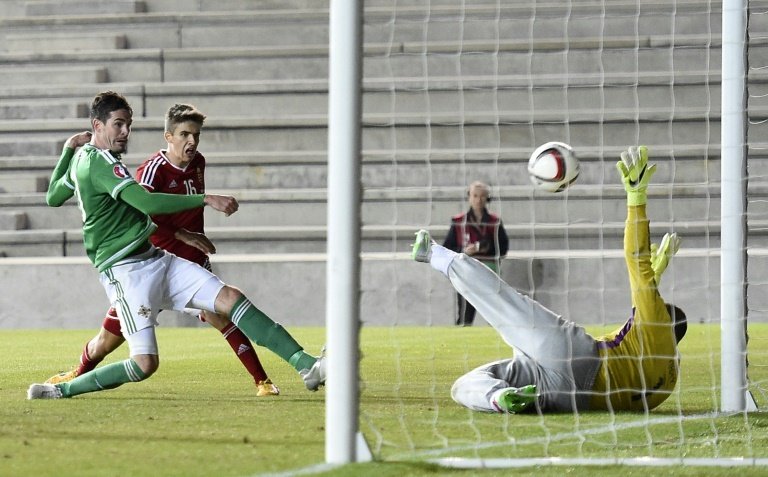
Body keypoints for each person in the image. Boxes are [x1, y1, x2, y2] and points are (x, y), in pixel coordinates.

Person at [27, 91, 325, 400]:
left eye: (128, 124)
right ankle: (61, 390)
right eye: (118, 124)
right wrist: (206, 199)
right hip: (126, 272)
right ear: (97, 125)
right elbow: (145, 200)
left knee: (230, 298)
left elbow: (53, 197)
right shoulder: (101, 163)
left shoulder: (81, 161)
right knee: (143, 363)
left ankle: (307, 365)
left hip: (155, 258)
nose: (125, 132)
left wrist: (67, 150)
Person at [411, 145, 686, 413]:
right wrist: (656, 277)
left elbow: (636, 259)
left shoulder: (654, 324)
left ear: (664, 318)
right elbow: (634, 341)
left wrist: (636, 200)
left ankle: (434, 254)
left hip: (576, 357)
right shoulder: (668, 378)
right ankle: (498, 398)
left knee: (506, 304)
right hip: (570, 399)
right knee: (464, 385)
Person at [442, 181, 509, 326]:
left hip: (489, 270)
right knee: (465, 313)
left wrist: (487, 249)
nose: (479, 200)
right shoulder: (458, 221)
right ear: (469, 197)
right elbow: (447, 247)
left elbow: (503, 248)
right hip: (466, 270)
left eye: (483, 196)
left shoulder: (495, 221)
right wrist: (463, 251)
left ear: (488, 198)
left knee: (493, 313)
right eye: (475, 195)